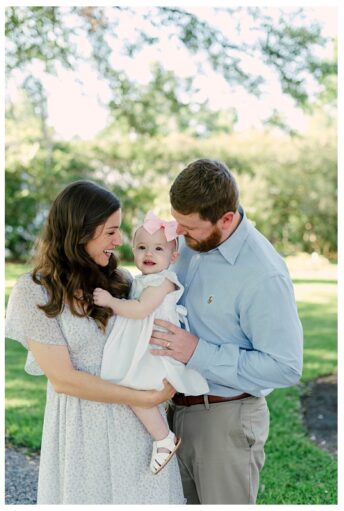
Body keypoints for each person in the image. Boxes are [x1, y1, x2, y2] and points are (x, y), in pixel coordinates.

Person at [5, 180, 184, 504]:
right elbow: (64, 380)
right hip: (81, 434)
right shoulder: (34, 291)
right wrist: (143, 398)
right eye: (111, 231)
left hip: (139, 435)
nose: (119, 241)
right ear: (81, 231)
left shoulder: (123, 281)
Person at [150, 159, 303, 504]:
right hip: (170, 414)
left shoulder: (263, 274)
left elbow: (286, 366)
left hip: (225, 420)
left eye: (189, 227)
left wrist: (196, 352)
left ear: (227, 219)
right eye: (177, 222)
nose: (180, 233)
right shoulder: (188, 244)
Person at [94, 212, 209, 476]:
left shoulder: (163, 281)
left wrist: (111, 302)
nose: (149, 253)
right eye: (142, 247)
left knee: (135, 388)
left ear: (173, 257)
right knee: (130, 387)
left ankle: (163, 439)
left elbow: (140, 309)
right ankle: (159, 434)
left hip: (158, 350)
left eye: (158, 248)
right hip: (147, 346)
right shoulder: (142, 279)